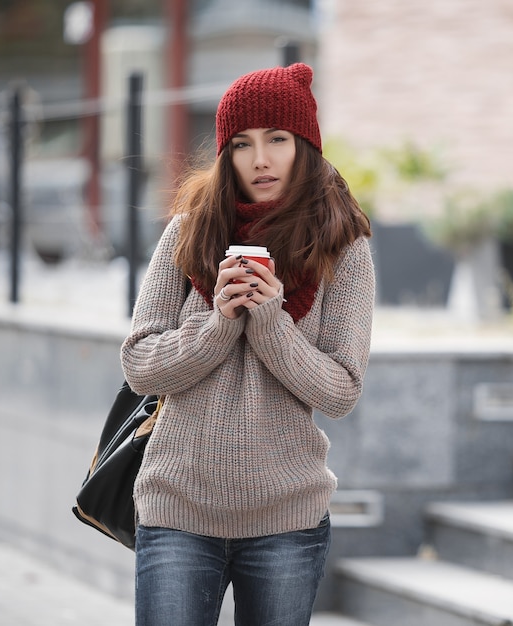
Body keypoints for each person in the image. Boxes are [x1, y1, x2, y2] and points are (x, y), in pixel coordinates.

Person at [120, 62, 375, 626]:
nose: (260, 159)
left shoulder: (343, 246)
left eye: (277, 140)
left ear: (304, 144)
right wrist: (218, 325)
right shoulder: (190, 230)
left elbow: (341, 390)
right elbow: (139, 362)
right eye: (242, 144)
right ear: (225, 154)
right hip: (177, 511)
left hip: (287, 520)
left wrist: (268, 319)